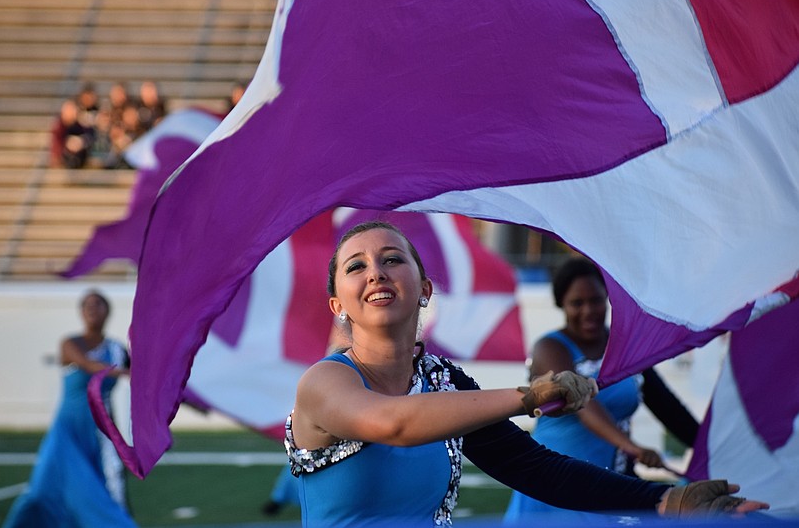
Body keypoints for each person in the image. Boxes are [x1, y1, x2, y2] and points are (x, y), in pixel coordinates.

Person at [285, 220, 767, 527]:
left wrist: (664, 501)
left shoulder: (444, 383)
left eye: (393, 259)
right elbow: (394, 423)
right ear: (337, 304)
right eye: (357, 266)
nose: (376, 272)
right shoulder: (325, 383)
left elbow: (536, 470)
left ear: (425, 287)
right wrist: (529, 396)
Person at [504, 256, 702, 522]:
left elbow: (669, 409)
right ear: (561, 304)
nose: (589, 310)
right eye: (577, 303)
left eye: (596, 300)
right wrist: (633, 447)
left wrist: (709, 447)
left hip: (611, 484)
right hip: (555, 483)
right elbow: (585, 406)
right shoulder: (550, 349)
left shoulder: (626, 350)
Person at [3, 290, 136, 528]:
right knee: (42, 489)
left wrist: (187, 400)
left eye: (99, 304)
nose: (93, 309)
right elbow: (87, 364)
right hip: (67, 430)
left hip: (100, 431)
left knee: (109, 486)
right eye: (88, 305)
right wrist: (123, 371)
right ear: (81, 312)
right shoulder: (70, 344)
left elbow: (145, 380)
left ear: (108, 311)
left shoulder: (117, 349)